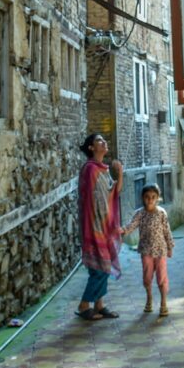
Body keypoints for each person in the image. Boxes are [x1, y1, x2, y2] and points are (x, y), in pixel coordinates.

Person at [75, 133, 123, 321]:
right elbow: (92, 202)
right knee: (99, 268)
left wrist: (119, 173)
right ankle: (84, 305)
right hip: (94, 226)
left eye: (104, 140)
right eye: (99, 141)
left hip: (103, 226)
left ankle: (99, 304)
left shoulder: (102, 170)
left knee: (105, 265)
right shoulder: (89, 169)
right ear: (91, 148)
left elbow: (114, 193)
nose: (104, 143)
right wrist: (102, 224)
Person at [120, 183, 176, 316]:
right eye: (147, 197)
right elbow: (132, 225)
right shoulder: (140, 214)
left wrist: (170, 246)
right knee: (147, 276)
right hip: (146, 251)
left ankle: (163, 302)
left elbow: (167, 231)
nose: (150, 200)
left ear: (158, 198)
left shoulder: (161, 213)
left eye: (153, 197)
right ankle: (149, 297)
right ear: (142, 198)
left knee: (162, 277)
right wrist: (123, 231)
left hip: (161, 250)